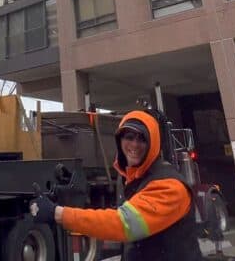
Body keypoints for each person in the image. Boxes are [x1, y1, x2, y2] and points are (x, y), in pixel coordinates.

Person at [31, 110, 203, 260]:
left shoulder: (170, 187)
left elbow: (123, 224)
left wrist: (58, 213)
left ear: (154, 144)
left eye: (142, 139)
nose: (134, 145)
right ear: (119, 141)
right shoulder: (133, 179)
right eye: (129, 137)